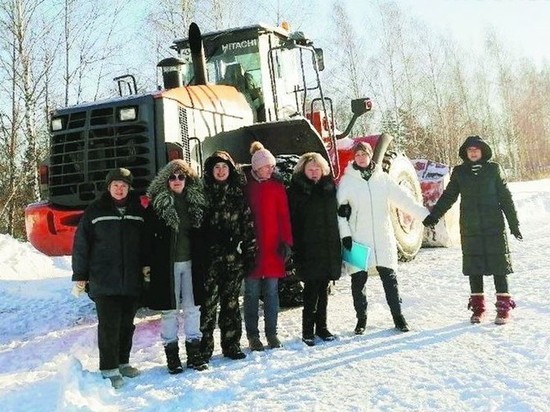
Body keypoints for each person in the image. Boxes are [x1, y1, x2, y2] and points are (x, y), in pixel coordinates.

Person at [422, 135, 522, 325]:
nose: (473, 152)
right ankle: (478, 308)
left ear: (483, 151)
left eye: (476, 149)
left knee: (499, 264)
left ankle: (503, 309)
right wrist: (434, 216)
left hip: (493, 225)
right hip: (470, 225)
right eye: (470, 150)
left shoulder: (493, 170)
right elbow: (449, 196)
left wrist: (514, 224)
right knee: (474, 265)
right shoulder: (460, 172)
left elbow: (505, 197)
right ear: (466, 153)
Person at [337, 142, 429, 334]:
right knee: (358, 281)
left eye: (364, 154)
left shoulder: (383, 179)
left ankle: (399, 317)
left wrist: (425, 216)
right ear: (354, 157)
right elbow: (340, 213)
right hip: (356, 239)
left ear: (370, 156)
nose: (361, 158)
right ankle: (361, 320)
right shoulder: (347, 182)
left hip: (382, 237)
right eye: (358, 155)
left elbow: (404, 200)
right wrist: (345, 235)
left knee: (390, 279)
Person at [72, 168, 145, 389]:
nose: (120, 189)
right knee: (109, 326)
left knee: (127, 325)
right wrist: (80, 276)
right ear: (108, 187)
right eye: (116, 185)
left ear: (129, 188)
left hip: (131, 280)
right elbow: (81, 246)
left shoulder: (138, 212)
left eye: (124, 185)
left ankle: (123, 363)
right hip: (104, 280)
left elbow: (146, 245)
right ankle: (109, 368)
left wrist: (148, 270)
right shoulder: (95, 212)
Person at [142, 159, 208, 374]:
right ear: (166, 180)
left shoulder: (197, 203)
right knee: (169, 310)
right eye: (173, 177)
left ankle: (194, 353)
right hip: (165, 265)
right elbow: (146, 238)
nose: (177, 180)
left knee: (192, 308)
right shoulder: (157, 205)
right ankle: (172, 354)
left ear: (188, 179)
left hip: (192, 263)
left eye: (182, 177)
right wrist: (146, 263)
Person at [200, 151, 256, 362]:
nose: (221, 171)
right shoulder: (203, 196)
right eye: (217, 168)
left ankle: (231, 345)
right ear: (210, 171)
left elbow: (248, 226)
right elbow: (195, 227)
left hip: (233, 261)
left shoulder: (238, 195)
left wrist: (249, 253)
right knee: (208, 305)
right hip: (209, 261)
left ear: (230, 170)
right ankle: (204, 349)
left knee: (231, 304)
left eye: (224, 167)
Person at [287, 152, 342, 347]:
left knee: (324, 289)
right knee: (310, 290)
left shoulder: (329, 189)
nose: (314, 172)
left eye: (317, 169)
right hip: (308, 247)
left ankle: (322, 327)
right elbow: (292, 221)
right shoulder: (296, 191)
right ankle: (307, 331)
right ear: (303, 170)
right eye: (310, 169)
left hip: (327, 246)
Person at [243, 141, 293, 351]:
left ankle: (272, 333)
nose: (271, 170)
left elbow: (284, 216)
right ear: (256, 168)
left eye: (272, 167)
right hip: (253, 247)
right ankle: (253, 336)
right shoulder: (246, 187)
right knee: (252, 293)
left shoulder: (277, 186)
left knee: (272, 292)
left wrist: (287, 241)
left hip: (273, 247)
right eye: (267, 167)